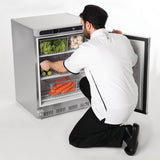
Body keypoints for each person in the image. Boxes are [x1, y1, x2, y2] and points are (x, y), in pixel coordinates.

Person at [40, 5, 139, 156]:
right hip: (132, 101)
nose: (82, 28)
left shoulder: (88, 48)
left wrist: (49, 64)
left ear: (88, 25)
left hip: (113, 111)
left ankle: (124, 132)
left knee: (76, 139)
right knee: (84, 83)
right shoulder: (122, 38)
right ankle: (106, 118)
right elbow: (132, 62)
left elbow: (62, 68)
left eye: (82, 24)